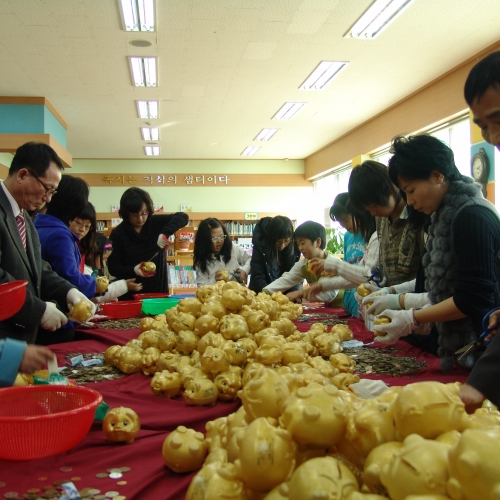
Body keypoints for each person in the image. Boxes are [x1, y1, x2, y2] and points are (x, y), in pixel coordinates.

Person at [373, 133, 500, 374]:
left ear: (437, 175)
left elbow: (473, 298)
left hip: (482, 350)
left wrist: (412, 317)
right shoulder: (443, 218)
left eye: (411, 190)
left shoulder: (471, 216)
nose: (409, 202)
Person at [0, 142, 94, 344]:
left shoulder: (24, 217)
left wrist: (69, 291)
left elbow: (38, 269)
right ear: (23, 175)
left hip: (20, 342)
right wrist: (37, 310)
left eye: (53, 192)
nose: (48, 199)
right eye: (47, 189)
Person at [459, 50, 500, 409]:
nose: (493, 135)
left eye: (498, 119)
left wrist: (485, 377)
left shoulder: (471, 214)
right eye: (484, 125)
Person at [34, 176, 102, 344]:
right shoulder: (60, 234)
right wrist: (97, 285)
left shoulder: (35, 225)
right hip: (56, 322)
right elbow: (70, 277)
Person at [348, 160, 426, 287]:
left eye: (374, 206)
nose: (373, 213)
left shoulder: (418, 213)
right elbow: (383, 269)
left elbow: (429, 277)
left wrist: (393, 295)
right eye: (368, 210)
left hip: (419, 303)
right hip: (388, 303)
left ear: (390, 189)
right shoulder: (381, 218)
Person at [108, 187, 189, 300]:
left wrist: (165, 233)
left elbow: (183, 217)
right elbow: (113, 267)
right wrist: (133, 270)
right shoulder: (118, 234)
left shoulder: (154, 223)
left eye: (144, 213)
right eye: (135, 214)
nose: (141, 218)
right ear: (126, 213)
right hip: (132, 295)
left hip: (158, 293)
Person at [307, 193, 378, 316]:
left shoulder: (374, 236)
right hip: (351, 301)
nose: (344, 225)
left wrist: (333, 266)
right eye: (340, 222)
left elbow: (366, 276)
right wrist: (325, 284)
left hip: (367, 302)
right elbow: (350, 271)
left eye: (346, 220)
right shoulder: (348, 236)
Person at [69, 202, 142, 301]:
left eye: (87, 227)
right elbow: (95, 295)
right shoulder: (85, 271)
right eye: (103, 258)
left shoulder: (94, 271)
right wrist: (124, 286)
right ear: (91, 253)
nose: (82, 229)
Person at [262, 221, 337, 305]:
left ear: (318, 242)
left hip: (343, 307)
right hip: (327, 308)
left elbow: (329, 294)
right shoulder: (304, 263)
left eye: (302, 243)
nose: (300, 248)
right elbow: (287, 279)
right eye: (298, 244)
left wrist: (301, 293)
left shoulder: (332, 262)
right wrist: (264, 292)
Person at [248, 216, 301, 294]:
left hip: (287, 296)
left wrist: (295, 292)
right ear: (271, 238)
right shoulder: (260, 245)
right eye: (279, 241)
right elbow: (258, 276)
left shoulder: (295, 246)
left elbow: (296, 275)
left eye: (286, 241)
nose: (282, 245)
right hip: (262, 294)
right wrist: (269, 295)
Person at [193, 217, 251, 286]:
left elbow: (250, 258)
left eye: (221, 236)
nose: (219, 241)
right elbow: (201, 288)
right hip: (216, 295)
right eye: (215, 238)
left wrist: (244, 270)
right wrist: (215, 280)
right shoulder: (201, 260)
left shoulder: (231, 247)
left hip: (237, 293)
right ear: (205, 240)